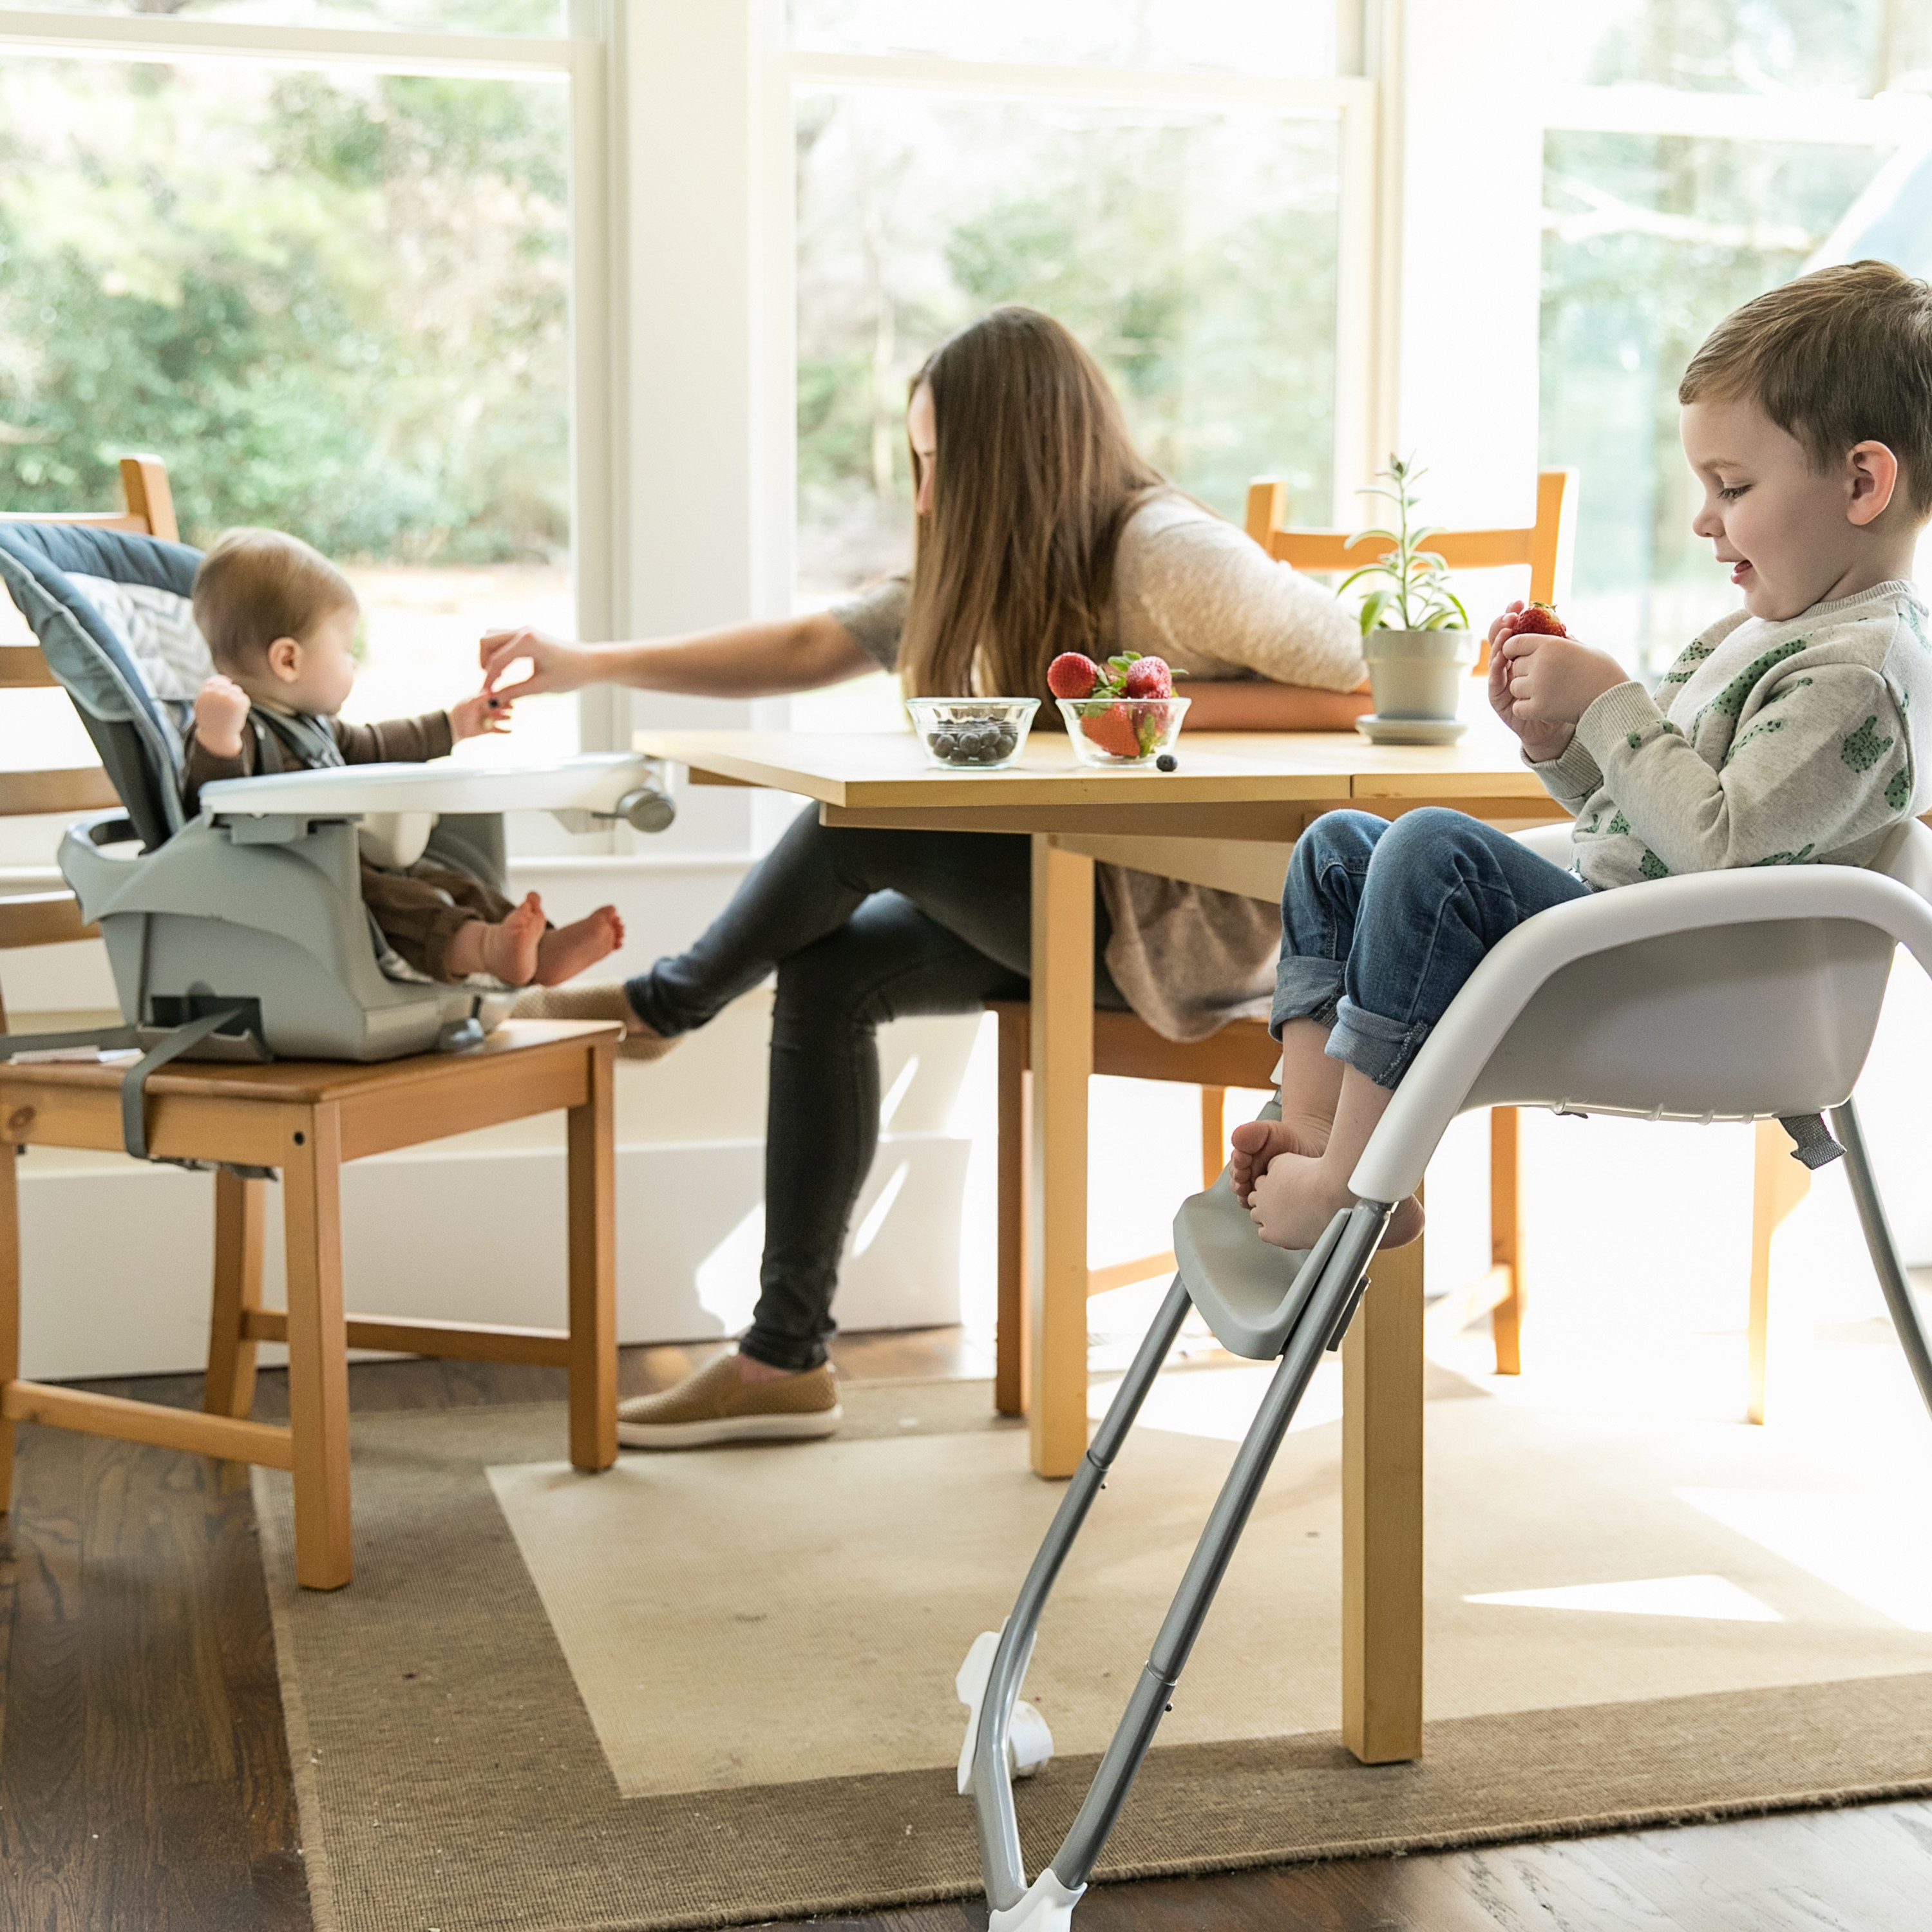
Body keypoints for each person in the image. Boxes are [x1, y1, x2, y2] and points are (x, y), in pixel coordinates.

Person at [478, 305, 1368, 1448]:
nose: (927, 494)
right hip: (1085, 896)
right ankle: (781, 1360)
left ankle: (668, 1002)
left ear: (1013, 455)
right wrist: (589, 664)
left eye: (941, 462)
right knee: (831, 970)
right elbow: (811, 646)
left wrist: (1145, 703)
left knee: (865, 823)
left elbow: (1370, 678)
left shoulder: (1165, 554)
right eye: (919, 464)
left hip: (1191, 931)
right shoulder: (1004, 557)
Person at [1231, 260, 1932, 1253]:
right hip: (1631, 942)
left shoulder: (1859, 674)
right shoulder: (1772, 631)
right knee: (1340, 847)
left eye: (1732, 486)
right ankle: (1319, 1133)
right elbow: (1649, 819)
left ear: (1862, 482)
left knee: (1429, 851)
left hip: (1697, 992)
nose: (1703, 519)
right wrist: (1563, 743)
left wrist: (1611, 703)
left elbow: (1721, 849)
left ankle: (1354, 1182)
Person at [185, 527, 624, 987]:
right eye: (345, 650)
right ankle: (486, 949)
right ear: (288, 661)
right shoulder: (234, 729)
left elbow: (375, 746)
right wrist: (219, 741)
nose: (352, 663)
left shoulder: (312, 726)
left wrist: (452, 726)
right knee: (397, 905)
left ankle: (539, 948)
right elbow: (206, 812)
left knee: (449, 882)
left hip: (347, 863)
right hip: (295, 884)